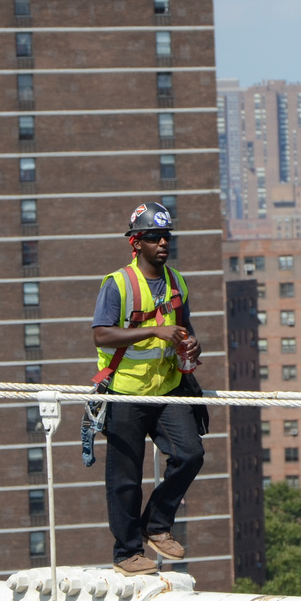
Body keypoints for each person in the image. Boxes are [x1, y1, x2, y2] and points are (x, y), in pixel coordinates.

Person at [90, 201, 208, 576]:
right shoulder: (118, 284)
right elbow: (101, 334)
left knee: (190, 454)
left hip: (167, 388)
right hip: (126, 392)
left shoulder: (177, 282)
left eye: (166, 237)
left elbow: (185, 327)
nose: (163, 243)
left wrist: (192, 344)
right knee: (125, 477)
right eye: (154, 237)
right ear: (136, 243)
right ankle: (127, 552)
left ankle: (156, 525)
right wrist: (155, 330)